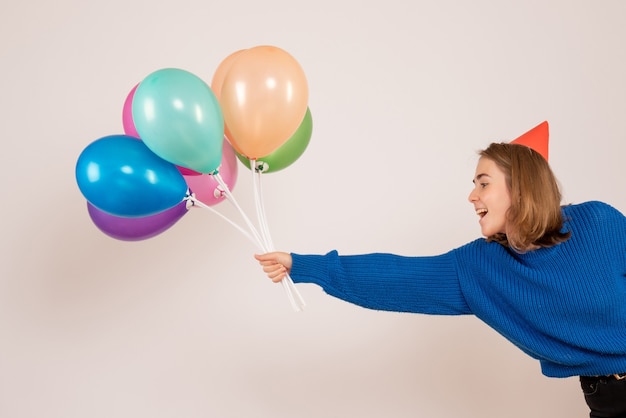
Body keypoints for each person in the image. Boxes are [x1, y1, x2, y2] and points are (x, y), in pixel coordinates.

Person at [255, 140, 626, 417]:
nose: (471, 195)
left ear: (521, 187)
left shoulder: (599, 222)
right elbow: (397, 278)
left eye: (484, 183)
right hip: (605, 401)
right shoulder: (480, 267)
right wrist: (303, 265)